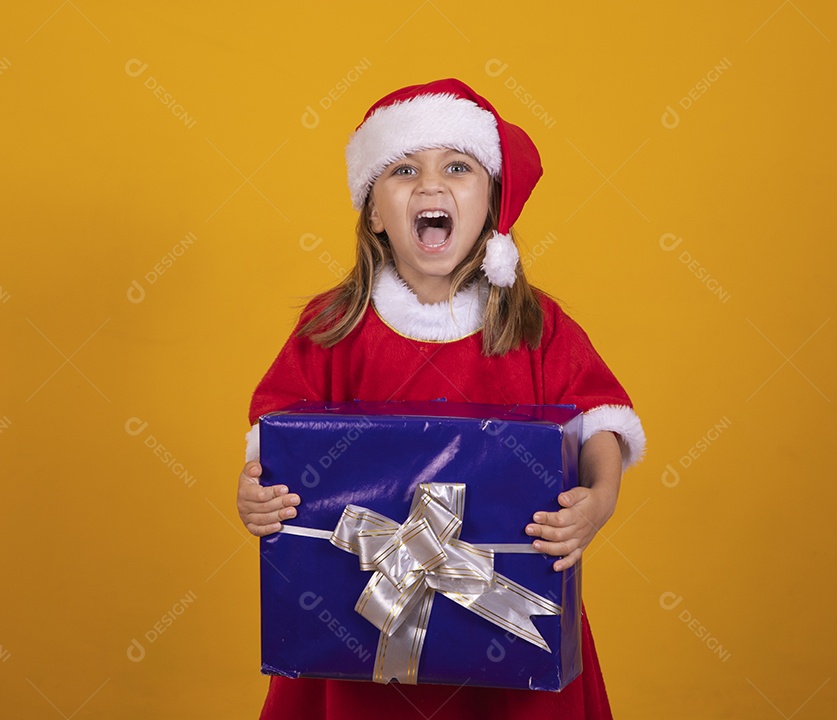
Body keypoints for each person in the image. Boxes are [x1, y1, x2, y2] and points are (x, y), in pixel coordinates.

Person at [237, 78, 646, 720]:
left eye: (457, 167)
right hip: (356, 624)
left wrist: (600, 498)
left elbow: (601, 422)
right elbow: (276, 438)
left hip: (510, 621)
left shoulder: (536, 325)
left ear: (491, 203)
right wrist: (258, 493)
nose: (431, 186)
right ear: (374, 212)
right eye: (404, 170)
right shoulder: (332, 328)